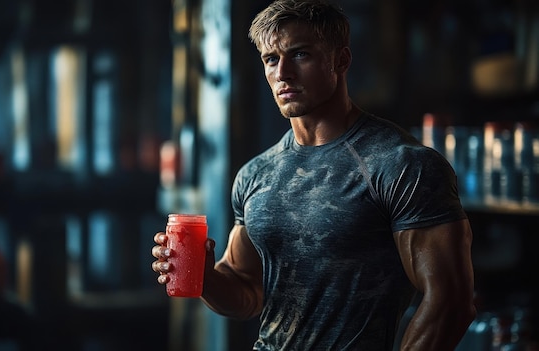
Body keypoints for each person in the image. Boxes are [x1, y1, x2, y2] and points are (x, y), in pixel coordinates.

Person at [152, 0, 476, 349]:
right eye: (271, 59)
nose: (283, 73)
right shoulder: (256, 174)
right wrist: (205, 278)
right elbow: (247, 291)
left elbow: (449, 302)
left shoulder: (401, 165)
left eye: (300, 54)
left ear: (341, 60)